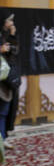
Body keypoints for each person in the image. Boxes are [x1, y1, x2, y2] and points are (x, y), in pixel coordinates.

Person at [0, 10, 20, 151]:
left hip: (5, 80)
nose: (11, 23)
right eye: (9, 20)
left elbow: (14, 52)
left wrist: (12, 36)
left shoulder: (5, 35)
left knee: (4, 112)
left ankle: (3, 138)